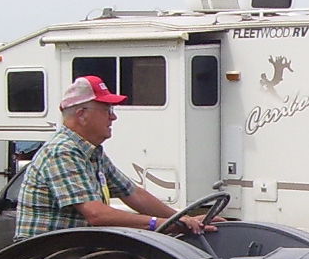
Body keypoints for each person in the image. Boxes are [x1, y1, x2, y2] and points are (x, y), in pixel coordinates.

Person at [15, 75, 214, 239]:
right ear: (82, 114)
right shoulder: (62, 151)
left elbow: (134, 194)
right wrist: (159, 224)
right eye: (107, 110)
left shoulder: (92, 152)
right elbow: (96, 214)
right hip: (48, 255)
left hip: (72, 251)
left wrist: (185, 218)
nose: (113, 117)